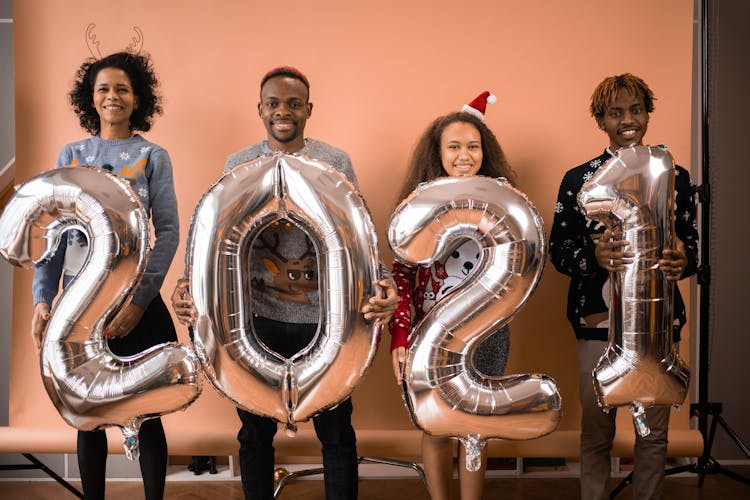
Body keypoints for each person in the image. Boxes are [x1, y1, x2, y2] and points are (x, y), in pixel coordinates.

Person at [171, 66, 398, 500]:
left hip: (325, 320)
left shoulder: (334, 162)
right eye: (273, 104)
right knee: (254, 434)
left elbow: (358, 233)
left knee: (336, 432)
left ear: (309, 110)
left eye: (293, 104)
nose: (283, 112)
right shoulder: (239, 164)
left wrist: (383, 283)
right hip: (256, 320)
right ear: (259, 110)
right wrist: (188, 286)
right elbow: (212, 233)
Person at [30, 52, 179, 500]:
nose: (112, 96)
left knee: (148, 411)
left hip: (139, 305)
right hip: (79, 307)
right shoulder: (72, 155)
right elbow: (52, 231)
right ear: (90, 100)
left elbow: (168, 232)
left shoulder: (154, 156)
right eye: (103, 89)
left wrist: (138, 302)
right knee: (87, 411)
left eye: (122, 89)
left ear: (137, 99)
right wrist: (43, 297)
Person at [549, 73, 699, 500]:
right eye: (616, 112)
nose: (628, 120)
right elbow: (558, 250)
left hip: (658, 323)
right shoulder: (579, 179)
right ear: (601, 120)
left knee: (653, 435)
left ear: (648, 114)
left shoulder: (676, 176)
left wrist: (683, 259)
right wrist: (592, 257)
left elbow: (692, 248)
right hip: (598, 321)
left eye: (636, 110)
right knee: (596, 431)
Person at [388, 92, 515, 500]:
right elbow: (402, 275)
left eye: (473, 146)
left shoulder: (503, 201)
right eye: (455, 146)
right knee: (436, 423)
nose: (465, 155)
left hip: (488, 331)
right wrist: (400, 337)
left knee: (476, 425)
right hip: (429, 332)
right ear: (438, 152)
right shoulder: (419, 205)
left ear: (485, 151)